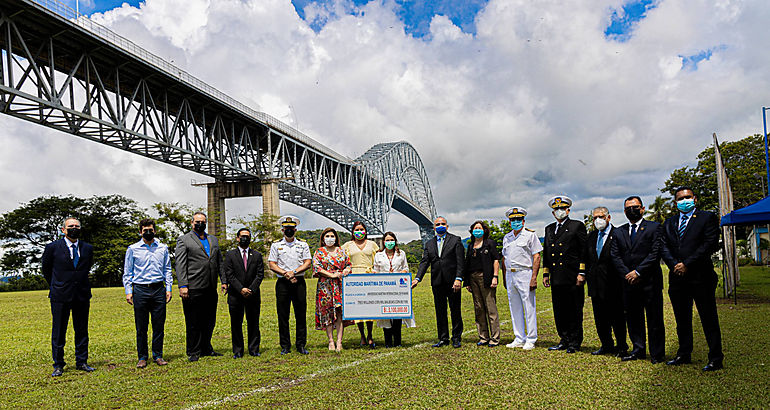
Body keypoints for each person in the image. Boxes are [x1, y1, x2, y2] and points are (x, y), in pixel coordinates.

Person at [660, 187, 723, 371]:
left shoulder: (707, 217)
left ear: (694, 199)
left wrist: (687, 263)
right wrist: (674, 265)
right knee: (682, 319)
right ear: (675, 203)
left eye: (687, 197)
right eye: (680, 198)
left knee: (708, 318)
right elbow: (663, 246)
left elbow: (709, 244)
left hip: (700, 277)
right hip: (677, 278)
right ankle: (684, 353)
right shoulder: (670, 222)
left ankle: (715, 357)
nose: (684, 201)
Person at [610, 196, 665, 364]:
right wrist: (628, 274)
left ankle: (657, 354)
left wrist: (638, 272)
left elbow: (655, 253)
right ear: (624, 211)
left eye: (635, 207)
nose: (631, 210)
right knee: (634, 319)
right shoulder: (618, 231)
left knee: (654, 319)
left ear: (642, 209)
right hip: (628, 283)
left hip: (649, 281)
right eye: (628, 208)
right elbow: (615, 255)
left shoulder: (654, 227)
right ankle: (638, 350)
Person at [42, 217, 95, 377]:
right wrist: (56, 284)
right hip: (60, 295)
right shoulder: (52, 247)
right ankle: (58, 364)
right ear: (63, 230)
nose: (74, 228)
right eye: (70, 226)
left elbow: (86, 268)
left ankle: (82, 362)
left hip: (81, 294)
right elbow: (46, 269)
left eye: (77, 226)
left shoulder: (87, 248)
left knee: (81, 329)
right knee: (59, 330)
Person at [122, 218, 173, 368]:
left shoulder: (162, 248)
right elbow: (128, 272)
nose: (148, 232)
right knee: (141, 326)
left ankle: (158, 355)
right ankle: (142, 357)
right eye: (145, 230)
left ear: (155, 231)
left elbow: (167, 270)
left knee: (159, 325)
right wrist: (128, 291)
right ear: (140, 232)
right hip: (140, 289)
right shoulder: (133, 249)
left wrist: (168, 288)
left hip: (158, 289)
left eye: (151, 230)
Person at [175, 211, 225, 362]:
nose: (200, 224)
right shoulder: (184, 240)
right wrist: (183, 285)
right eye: (197, 222)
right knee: (193, 321)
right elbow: (180, 264)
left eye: (203, 221)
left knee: (209, 320)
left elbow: (219, 262)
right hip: (193, 286)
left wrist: (224, 280)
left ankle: (206, 348)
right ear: (192, 223)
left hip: (210, 286)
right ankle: (193, 350)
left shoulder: (213, 240)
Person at [542, 196, 587, 354]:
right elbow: (547, 252)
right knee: (559, 309)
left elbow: (583, 250)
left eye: (562, 209)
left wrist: (582, 272)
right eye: (556, 209)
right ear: (553, 213)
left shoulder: (576, 226)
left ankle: (575, 342)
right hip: (556, 277)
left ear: (568, 210)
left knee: (574, 309)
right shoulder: (548, 228)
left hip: (572, 276)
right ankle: (564, 339)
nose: (559, 212)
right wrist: (546, 273)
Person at [412, 216, 465, 348]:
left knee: (455, 310)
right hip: (437, 282)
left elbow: (460, 261)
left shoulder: (455, 240)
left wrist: (458, 278)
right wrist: (417, 278)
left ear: (447, 226)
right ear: (434, 227)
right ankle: (443, 338)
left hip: (453, 281)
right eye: (437, 224)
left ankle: (456, 338)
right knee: (440, 311)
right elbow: (425, 262)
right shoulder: (429, 243)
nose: (440, 226)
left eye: (442, 224)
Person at [585, 207, 628, 357]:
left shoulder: (618, 234)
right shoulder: (591, 236)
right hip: (596, 285)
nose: (598, 220)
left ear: (608, 217)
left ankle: (622, 346)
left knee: (617, 318)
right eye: (595, 217)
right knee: (600, 318)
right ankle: (606, 345)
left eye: (601, 217)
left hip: (614, 284)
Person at [268, 215, 312, 355]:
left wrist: (293, 272)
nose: (289, 230)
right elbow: (272, 264)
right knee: (283, 315)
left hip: (298, 281)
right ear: (282, 230)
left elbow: (307, 262)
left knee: (300, 314)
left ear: (295, 230)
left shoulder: (303, 244)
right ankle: (285, 346)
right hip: (282, 283)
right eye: (286, 228)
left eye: (291, 228)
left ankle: (301, 345)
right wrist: (286, 274)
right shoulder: (276, 245)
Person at [500, 207, 542, 350]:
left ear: (523, 221)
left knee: (529, 306)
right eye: (513, 220)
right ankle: (519, 337)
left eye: (518, 219)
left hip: (525, 272)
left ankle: (531, 338)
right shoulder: (507, 237)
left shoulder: (530, 235)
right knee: (514, 306)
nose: (515, 222)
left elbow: (537, 256)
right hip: (510, 274)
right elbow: (504, 258)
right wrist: (505, 278)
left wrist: (534, 277)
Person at [223, 228, 265, 358]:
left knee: (253, 322)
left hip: (253, 294)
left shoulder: (257, 255)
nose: (245, 238)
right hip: (235, 294)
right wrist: (240, 288)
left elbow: (260, 275)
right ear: (237, 238)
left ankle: (254, 349)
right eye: (242, 236)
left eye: (247, 236)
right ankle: (238, 351)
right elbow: (229, 274)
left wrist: (251, 289)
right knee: (236, 323)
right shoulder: (230, 255)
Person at [312, 228, 354, 352]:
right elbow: (316, 267)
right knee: (327, 313)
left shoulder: (342, 251)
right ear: (323, 239)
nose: (330, 238)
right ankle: (331, 341)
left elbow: (348, 264)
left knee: (339, 313)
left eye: (332, 236)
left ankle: (339, 342)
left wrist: (346, 270)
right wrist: (331, 275)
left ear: (336, 238)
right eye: (327, 236)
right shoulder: (319, 252)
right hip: (325, 287)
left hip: (340, 286)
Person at [374, 232, 416, 347]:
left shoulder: (401, 253)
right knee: (385, 314)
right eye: (387, 240)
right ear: (383, 242)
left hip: (398, 288)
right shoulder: (378, 255)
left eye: (391, 240)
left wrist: (403, 272)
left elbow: (406, 268)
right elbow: (375, 270)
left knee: (397, 313)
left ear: (395, 241)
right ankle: (388, 341)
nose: (389, 242)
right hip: (383, 288)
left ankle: (397, 341)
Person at [341, 221, 380, 349]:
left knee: (369, 308)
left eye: (361, 229)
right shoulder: (347, 245)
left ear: (365, 231)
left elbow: (379, 259)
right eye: (356, 229)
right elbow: (340, 259)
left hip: (369, 275)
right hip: (354, 276)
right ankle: (362, 335)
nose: (359, 232)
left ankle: (370, 334)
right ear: (352, 232)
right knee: (358, 309)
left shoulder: (372, 244)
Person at [464, 221, 502, 347]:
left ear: (484, 230)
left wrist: (495, 277)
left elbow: (496, 260)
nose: (477, 230)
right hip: (473, 277)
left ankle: (495, 338)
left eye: (479, 228)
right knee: (479, 308)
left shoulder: (489, 243)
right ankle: (483, 337)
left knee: (490, 308)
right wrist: (467, 282)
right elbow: (467, 264)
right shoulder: (470, 245)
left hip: (486, 277)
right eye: (475, 228)